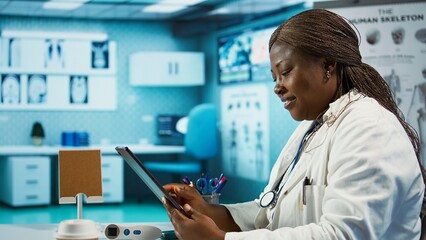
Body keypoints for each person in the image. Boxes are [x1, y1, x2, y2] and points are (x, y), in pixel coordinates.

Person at [163, 9, 426, 240]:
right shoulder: (313, 127)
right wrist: (208, 211)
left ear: (327, 65)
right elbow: (270, 212)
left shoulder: (369, 128)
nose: (277, 87)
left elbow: (344, 235)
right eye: (274, 77)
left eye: (286, 72)